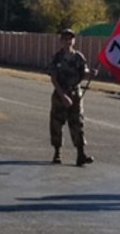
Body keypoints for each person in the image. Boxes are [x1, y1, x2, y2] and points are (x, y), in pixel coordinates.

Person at [47, 28, 98, 166]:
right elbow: (53, 78)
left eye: (70, 39)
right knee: (57, 123)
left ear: (74, 41)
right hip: (60, 94)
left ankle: (81, 154)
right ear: (61, 41)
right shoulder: (57, 57)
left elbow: (84, 72)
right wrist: (63, 96)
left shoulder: (78, 57)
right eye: (65, 39)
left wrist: (91, 73)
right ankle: (57, 153)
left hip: (76, 94)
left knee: (78, 123)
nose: (68, 41)